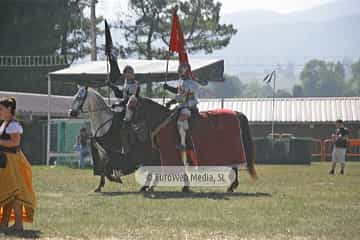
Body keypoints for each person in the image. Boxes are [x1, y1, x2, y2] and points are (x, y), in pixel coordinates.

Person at [0, 97, 36, 232]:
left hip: (11, 162)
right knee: (8, 192)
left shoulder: (13, 125)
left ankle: (18, 224)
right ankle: (4, 223)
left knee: (14, 193)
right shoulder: (5, 123)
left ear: (9, 109)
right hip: (5, 161)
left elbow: (15, 143)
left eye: (1, 109)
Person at [163, 63, 200, 150]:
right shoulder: (182, 82)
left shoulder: (190, 83)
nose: (179, 73)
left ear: (186, 72)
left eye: (180, 71)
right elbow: (177, 91)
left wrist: (170, 102)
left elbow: (181, 97)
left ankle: (183, 144)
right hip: (182, 106)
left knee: (180, 122)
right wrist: (168, 88)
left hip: (189, 107)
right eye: (179, 71)